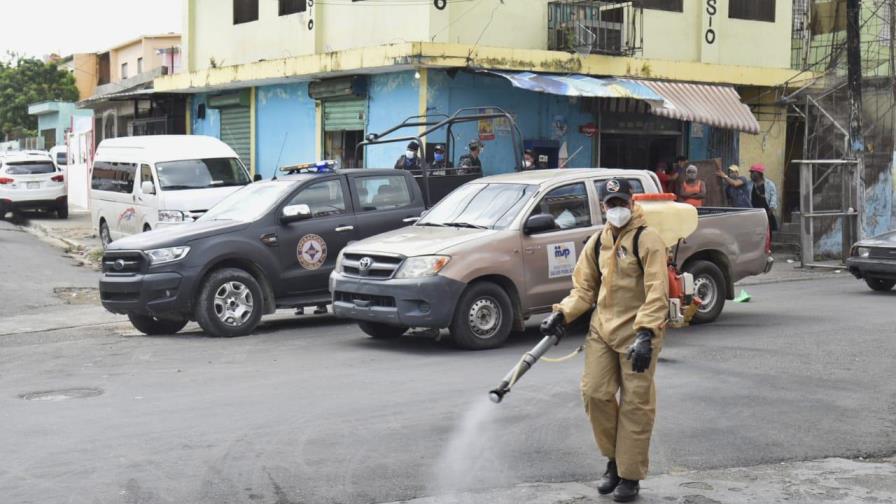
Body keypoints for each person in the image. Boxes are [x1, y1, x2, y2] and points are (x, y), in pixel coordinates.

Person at [541, 177, 668, 503]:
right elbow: (583, 289)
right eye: (611, 204)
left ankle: (630, 475)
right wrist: (562, 314)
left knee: (636, 406)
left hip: (638, 334)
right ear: (603, 206)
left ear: (632, 202)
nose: (617, 209)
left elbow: (658, 290)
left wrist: (646, 332)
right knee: (595, 394)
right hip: (602, 331)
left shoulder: (647, 239)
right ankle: (614, 460)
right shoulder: (597, 242)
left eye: (622, 203)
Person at [749, 163, 778, 232]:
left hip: (766, 212)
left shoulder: (769, 184)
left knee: (767, 232)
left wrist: (771, 208)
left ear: (759, 173)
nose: (751, 174)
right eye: (751, 172)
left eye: (753, 172)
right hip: (754, 213)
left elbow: (773, 196)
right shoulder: (749, 184)